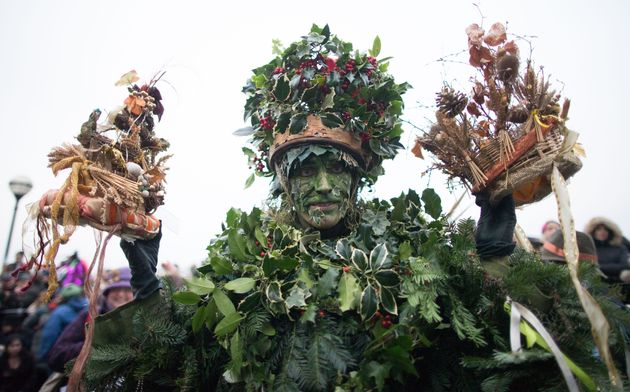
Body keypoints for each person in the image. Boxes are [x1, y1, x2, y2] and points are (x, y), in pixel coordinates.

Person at [76, 25, 628, 390]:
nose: (320, 185)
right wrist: (149, 288)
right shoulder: (239, 270)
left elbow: (500, 346)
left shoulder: (416, 257)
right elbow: (165, 366)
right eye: (305, 171)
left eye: (335, 168)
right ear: (283, 185)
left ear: (359, 178)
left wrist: (495, 254)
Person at [44, 267, 133, 390]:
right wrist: (93, 345)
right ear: (107, 293)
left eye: (128, 289)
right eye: (116, 288)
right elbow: (55, 356)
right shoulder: (90, 316)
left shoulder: (148, 324)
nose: (121, 294)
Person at [36, 283, 87, 362]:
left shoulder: (59, 312)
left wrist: (42, 355)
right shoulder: (90, 308)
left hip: (64, 356)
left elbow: (50, 334)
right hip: (85, 354)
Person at [584, 217, 630, 283]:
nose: (602, 232)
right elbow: (587, 267)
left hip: (619, 284)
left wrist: (599, 267)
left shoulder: (620, 248)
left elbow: (626, 265)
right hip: (595, 283)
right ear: (593, 232)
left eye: (606, 229)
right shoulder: (588, 249)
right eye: (599, 229)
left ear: (610, 232)